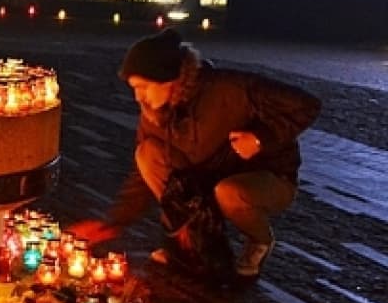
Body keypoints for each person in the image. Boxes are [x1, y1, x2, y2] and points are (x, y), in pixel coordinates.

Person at [69, 28, 321, 280]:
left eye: (143, 86)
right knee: (148, 154)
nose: (138, 96)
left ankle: (259, 240)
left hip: (267, 177)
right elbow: (143, 175)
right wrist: (113, 224)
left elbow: (307, 105)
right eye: (134, 88)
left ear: (167, 78)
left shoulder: (230, 89)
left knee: (229, 192)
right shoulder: (154, 113)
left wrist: (259, 138)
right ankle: (191, 241)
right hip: (208, 177)